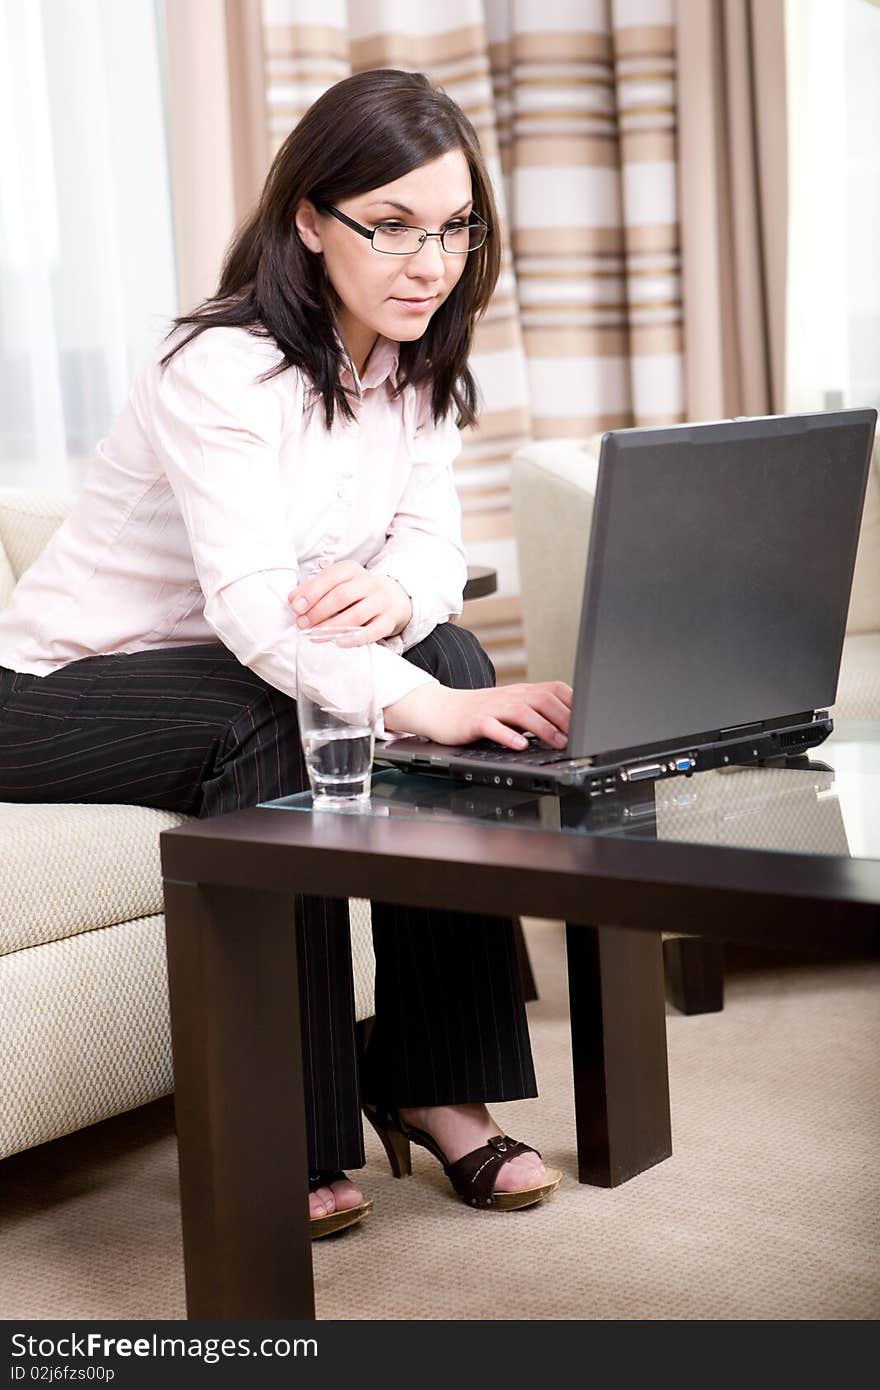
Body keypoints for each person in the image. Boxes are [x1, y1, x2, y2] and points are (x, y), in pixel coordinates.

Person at [0, 69, 571, 1237]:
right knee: (296, 712)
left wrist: (398, 590)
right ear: (310, 222)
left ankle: (429, 1077)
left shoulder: (415, 362)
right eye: (393, 226)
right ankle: (291, 1125)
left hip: (213, 670)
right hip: (55, 691)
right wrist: (421, 708)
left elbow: (431, 543)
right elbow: (260, 616)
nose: (431, 261)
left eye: (455, 227)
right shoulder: (217, 365)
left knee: (455, 654)